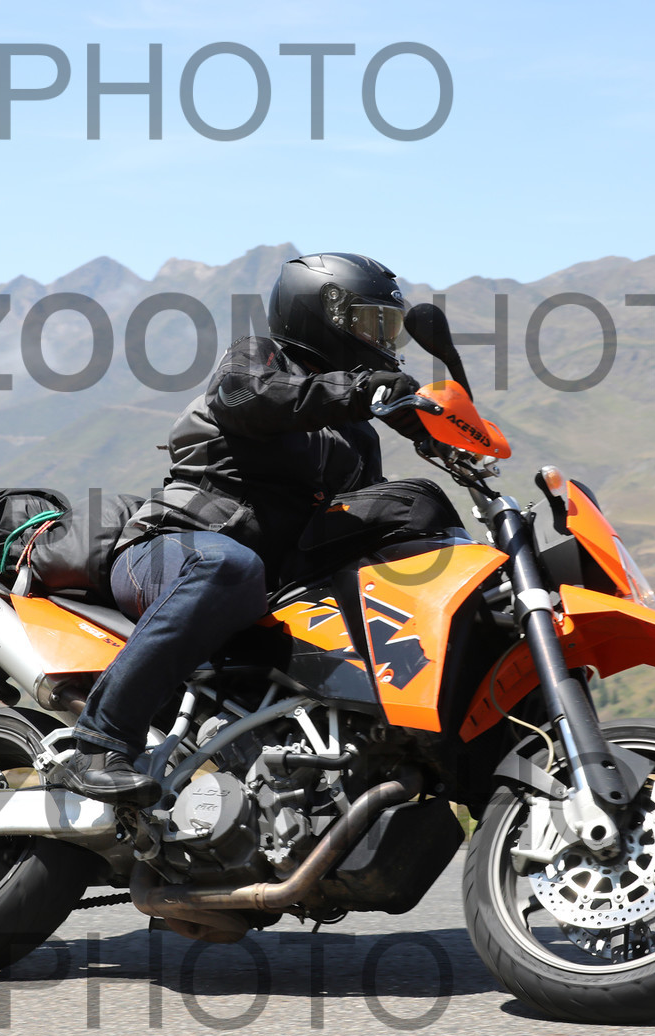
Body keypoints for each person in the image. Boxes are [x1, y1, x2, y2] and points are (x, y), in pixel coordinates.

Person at [46, 253, 420, 803]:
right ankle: (98, 745)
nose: (381, 340)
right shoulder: (258, 360)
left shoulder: (357, 435)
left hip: (266, 590)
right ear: (323, 314)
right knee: (228, 565)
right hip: (169, 553)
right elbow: (252, 398)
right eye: (370, 323)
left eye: (388, 327)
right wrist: (356, 393)